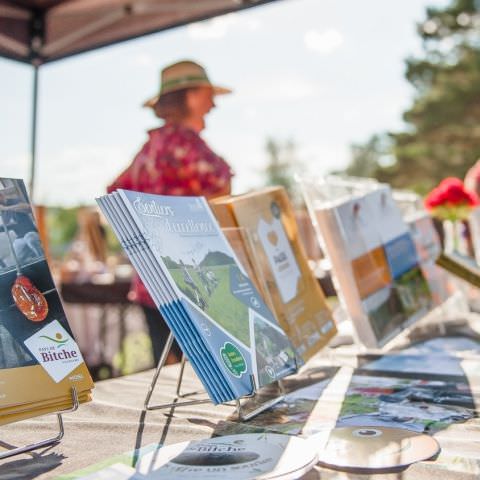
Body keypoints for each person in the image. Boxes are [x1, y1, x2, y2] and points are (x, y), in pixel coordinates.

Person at [108, 60, 233, 365]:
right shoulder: (187, 145)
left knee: (165, 374)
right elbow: (223, 186)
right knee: (207, 372)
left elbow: (115, 191)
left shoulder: (149, 148)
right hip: (192, 280)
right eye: (207, 96)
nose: (213, 104)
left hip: (151, 280)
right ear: (189, 97)